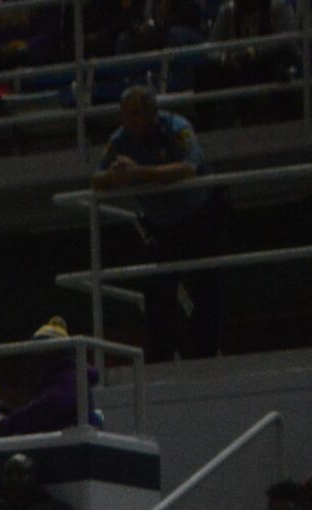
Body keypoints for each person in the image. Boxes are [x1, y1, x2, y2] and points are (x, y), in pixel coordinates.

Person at [91, 87, 224, 362]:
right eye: (126, 115)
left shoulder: (177, 128)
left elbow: (188, 169)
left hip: (198, 218)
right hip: (161, 227)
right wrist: (116, 176)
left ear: (152, 114)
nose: (130, 121)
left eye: (136, 115)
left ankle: (203, 353)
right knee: (157, 291)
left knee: (206, 287)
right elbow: (97, 179)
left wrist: (139, 174)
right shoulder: (120, 140)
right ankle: (161, 356)